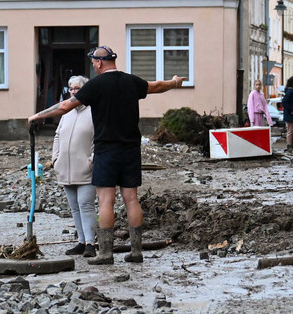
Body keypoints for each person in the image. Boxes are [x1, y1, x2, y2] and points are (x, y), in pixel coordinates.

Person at [27, 46, 184, 265]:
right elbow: (157, 86)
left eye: (93, 63)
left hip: (106, 150)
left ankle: (106, 254)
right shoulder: (131, 81)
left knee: (105, 201)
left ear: (99, 63)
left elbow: (64, 107)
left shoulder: (95, 85)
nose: (93, 66)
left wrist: (37, 115)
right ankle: (137, 252)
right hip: (130, 150)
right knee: (131, 199)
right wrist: (175, 82)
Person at [51, 75, 97, 258]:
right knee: (74, 208)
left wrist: (92, 158)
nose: (74, 91)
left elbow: (100, 137)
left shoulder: (94, 111)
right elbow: (57, 136)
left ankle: (90, 243)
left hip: (86, 168)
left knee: (85, 205)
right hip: (65, 168)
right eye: (71, 88)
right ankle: (80, 241)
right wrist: (55, 158)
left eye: (78, 88)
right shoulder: (66, 112)